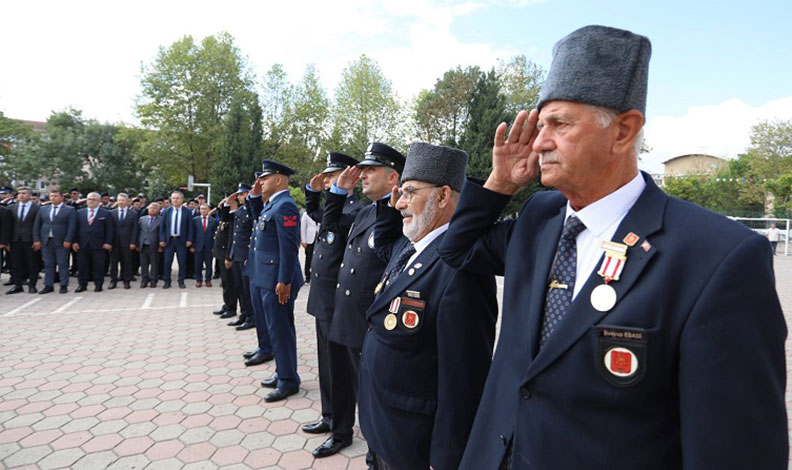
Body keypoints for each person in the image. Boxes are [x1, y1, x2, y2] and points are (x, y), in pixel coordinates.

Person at [438, 25, 788, 469]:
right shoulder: (540, 219)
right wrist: (499, 184)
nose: (540, 141)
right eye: (541, 125)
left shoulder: (717, 257)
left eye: (559, 124)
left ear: (623, 131)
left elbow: (734, 453)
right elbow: (457, 250)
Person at [358, 142, 498, 470]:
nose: (399, 203)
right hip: (384, 427)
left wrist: (447, 458)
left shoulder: (461, 268)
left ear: (443, 196)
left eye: (409, 192)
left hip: (414, 443)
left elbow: (464, 378)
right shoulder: (409, 247)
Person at [312, 143, 404, 460]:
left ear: (393, 178)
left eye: (370, 170)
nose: (362, 175)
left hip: (369, 318)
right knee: (340, 380)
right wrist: (338, 192)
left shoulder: (399, 214)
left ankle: (375, 452)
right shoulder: (365, 211)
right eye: (362, 170)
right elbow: (330, 225)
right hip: (345, 312)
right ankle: (339, 432)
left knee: (369, 393)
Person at [301, 151, 362, 435]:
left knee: (339, 369)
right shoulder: (336, 208)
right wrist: (312, 193)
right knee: (326, 365)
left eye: (332, 176)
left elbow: (327, 222)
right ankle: (329, 416)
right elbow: (317, 215)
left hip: (338, 302)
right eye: (326, 177)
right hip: (324, 299)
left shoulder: (355, 211)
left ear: (349, 178)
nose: (326, 180)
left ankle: (341, 428)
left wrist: (332, 196)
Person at [248, 160, 304, 403]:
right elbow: (258, 224)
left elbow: (289, 247)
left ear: (279, 180)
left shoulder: (285, 206)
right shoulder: (272, 204)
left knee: (281, 331)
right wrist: (253, 197)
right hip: (266, 277)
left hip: (277, 280)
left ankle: (288, 381)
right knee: (274, 329)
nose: (260, 182)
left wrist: (285, 281)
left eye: (265, 178)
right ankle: (283, 371)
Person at [225, 183, 258, 333]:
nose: (239, 197)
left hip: (246, 255)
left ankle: (251, 317)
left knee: (247, 289)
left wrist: (250, 255)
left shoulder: (252, 210)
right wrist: (228, 203)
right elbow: (227, 222)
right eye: (238, 195)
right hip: (237, 254)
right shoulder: (239, 211)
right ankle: (244, 314)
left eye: (242, 194)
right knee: (239, 287)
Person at [32, 189, 76, 294]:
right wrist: (36, 239)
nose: (53, 198)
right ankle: (48, 285)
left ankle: (63, 285)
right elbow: (37, 225)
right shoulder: (43, 209)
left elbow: (72, 227)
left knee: (62, 263)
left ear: (61, 197)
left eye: (56, 196)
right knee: (48, 264)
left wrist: (68, 240)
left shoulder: (69, 210)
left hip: (62, 241)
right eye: (51, 196)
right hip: (46, 241)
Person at [73, 192, 113, 292]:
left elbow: (110, 230)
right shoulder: (79, 213)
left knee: (98, 266)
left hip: (99, 244)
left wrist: (108, 242)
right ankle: (82, 285)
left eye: (93, 199)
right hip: (82, 244)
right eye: (89, 199)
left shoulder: (106, 213)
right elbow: (75, 229)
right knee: (82, 265)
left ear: (99, 201)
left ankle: (98, 285)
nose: (91, 201)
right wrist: (75, 241)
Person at [6, 187, 40, 294]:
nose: (21, 195)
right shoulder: (11, 208)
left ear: (30, 195)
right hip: (15, 240)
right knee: (16, 264)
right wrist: (7, 241)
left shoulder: (37, 208)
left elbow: (38, 225)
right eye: (19, 193)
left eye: (24, 193)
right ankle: (18, 285)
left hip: (30, 240)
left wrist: (37, 240)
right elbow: (8, 226)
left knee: (32, 263)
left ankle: (32, 285)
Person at [159, 191, 194, 288]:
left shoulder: (187, 211)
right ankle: (167, 281)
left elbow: (190, 227)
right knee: (167, 262)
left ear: (182, 199)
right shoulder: (166, 211)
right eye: (173, 198)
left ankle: (181, 281)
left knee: (182, 262)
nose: (175, 200)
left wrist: (189, 240)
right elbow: (162, 227)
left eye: (177, 198)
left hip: (181, 240)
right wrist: (162, 239)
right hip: (169, 240)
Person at [212, 192, 238, 318]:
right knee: (225, 282)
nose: (226, 203)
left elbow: (231, 240)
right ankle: (227, 305)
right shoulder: (227, 218)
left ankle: (231, 307)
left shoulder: (234, 218)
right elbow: (223, 218)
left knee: (229, 283)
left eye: (229, 202)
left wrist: (229, 256)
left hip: (226, 254)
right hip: (221, 253)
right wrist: (220, 208)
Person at [109, 193, 139, 289]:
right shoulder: (112, 213)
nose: (121, 202)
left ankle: (126, 281)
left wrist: (133, 242)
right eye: (119, 200)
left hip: (127, 242)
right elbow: (109, 229)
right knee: (113, 263)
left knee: (127, 262)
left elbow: (135, 230)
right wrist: (109, 242)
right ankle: (113, 281)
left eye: (123, 200)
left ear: (127, 201)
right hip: (114, 242)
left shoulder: (133, 214)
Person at [138, 202, 162, 288]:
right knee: (143, 264)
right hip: (143, 245)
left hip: (155, 245)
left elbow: (162, 233)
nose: (152, 209)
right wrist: (137, 244)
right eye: (150, 208)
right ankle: (144, 280)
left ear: (158, 210)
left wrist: (160, 246)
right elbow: (138, 231)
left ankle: (153, 280)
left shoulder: (161, 220)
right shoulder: (142, 219)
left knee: (154, 264)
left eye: (154, 208)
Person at [191, 203, 216, 287]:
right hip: (198, 246)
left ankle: (208, 280)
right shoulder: (195, 220)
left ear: (208, 210)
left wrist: (214, 247)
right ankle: (199, 280)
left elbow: (215, 235)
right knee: (198, 264)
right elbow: (192, 234)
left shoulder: (213, 221)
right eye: (201, 209)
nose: (203, 210)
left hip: (209, 246)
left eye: (205, 209)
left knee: (209, 264)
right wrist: (192, 246)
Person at [300, 209, 319, 284]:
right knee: (309, 258)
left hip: (318, 238)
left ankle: (315, 275)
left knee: (317, 258)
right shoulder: (306, 214)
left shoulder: (320, 213)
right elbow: (303, 228)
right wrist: (303, 240)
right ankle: (307, 276)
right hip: (309, 239)